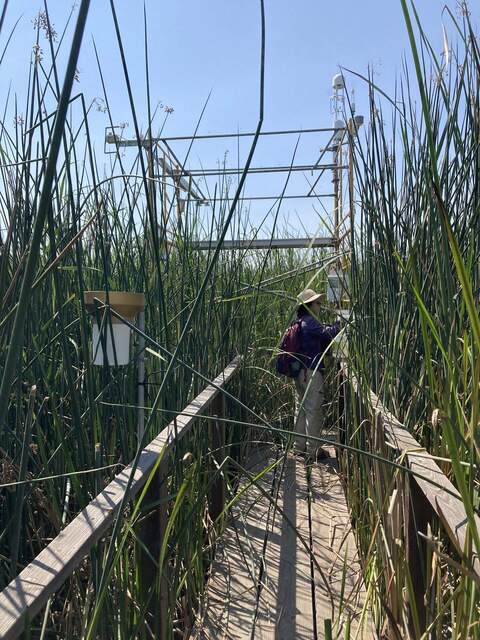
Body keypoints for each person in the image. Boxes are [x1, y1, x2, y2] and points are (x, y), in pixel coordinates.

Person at [294, 288, 341, 459]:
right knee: (314, 410)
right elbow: (328, 333)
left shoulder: (298, 322)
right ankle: (313, 450)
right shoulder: (310, 321)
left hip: (299, 372)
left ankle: (299, 447)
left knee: (301, 409)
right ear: (309, 305)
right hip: (311, 372)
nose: (320, 305)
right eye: (317, 303)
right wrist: (341, 323)